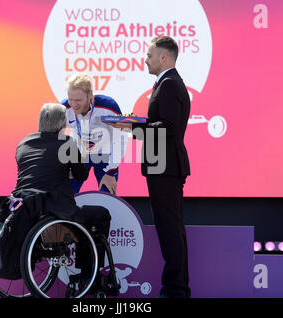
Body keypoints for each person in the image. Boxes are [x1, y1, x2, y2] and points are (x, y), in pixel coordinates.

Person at [108, 36, 191, 298]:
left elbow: (168, 127)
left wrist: (132, 126)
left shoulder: (168, 84)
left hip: (165, 167)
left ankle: (175, 290)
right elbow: (161, 125)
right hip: (161, 165)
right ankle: (175, 288)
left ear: (163, 57)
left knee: (170, 230)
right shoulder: (166, 83)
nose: (145, 59)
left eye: (149, 55)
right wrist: (135, 124)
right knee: (169, 229)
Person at [11, 103, 111, 274]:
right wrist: (79, 161)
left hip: (27, 210)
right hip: (56, 210)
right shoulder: (67, 143)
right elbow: (81, 175)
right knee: (101, 215)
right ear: (63, 125)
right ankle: (88, 275)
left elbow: (38, 171)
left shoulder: (23, 143)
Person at [60, 73, 128, 195]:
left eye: (78, 100)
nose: (74, 104)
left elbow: (121, 139)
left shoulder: (108, 106)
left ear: (90, 95)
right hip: (80, 155)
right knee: (66, 196)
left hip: (105, 155)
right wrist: (64, 166)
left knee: (107, 197)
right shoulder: (64, 108)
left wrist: (110, 172)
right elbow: (54, 138)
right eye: (71, 100)